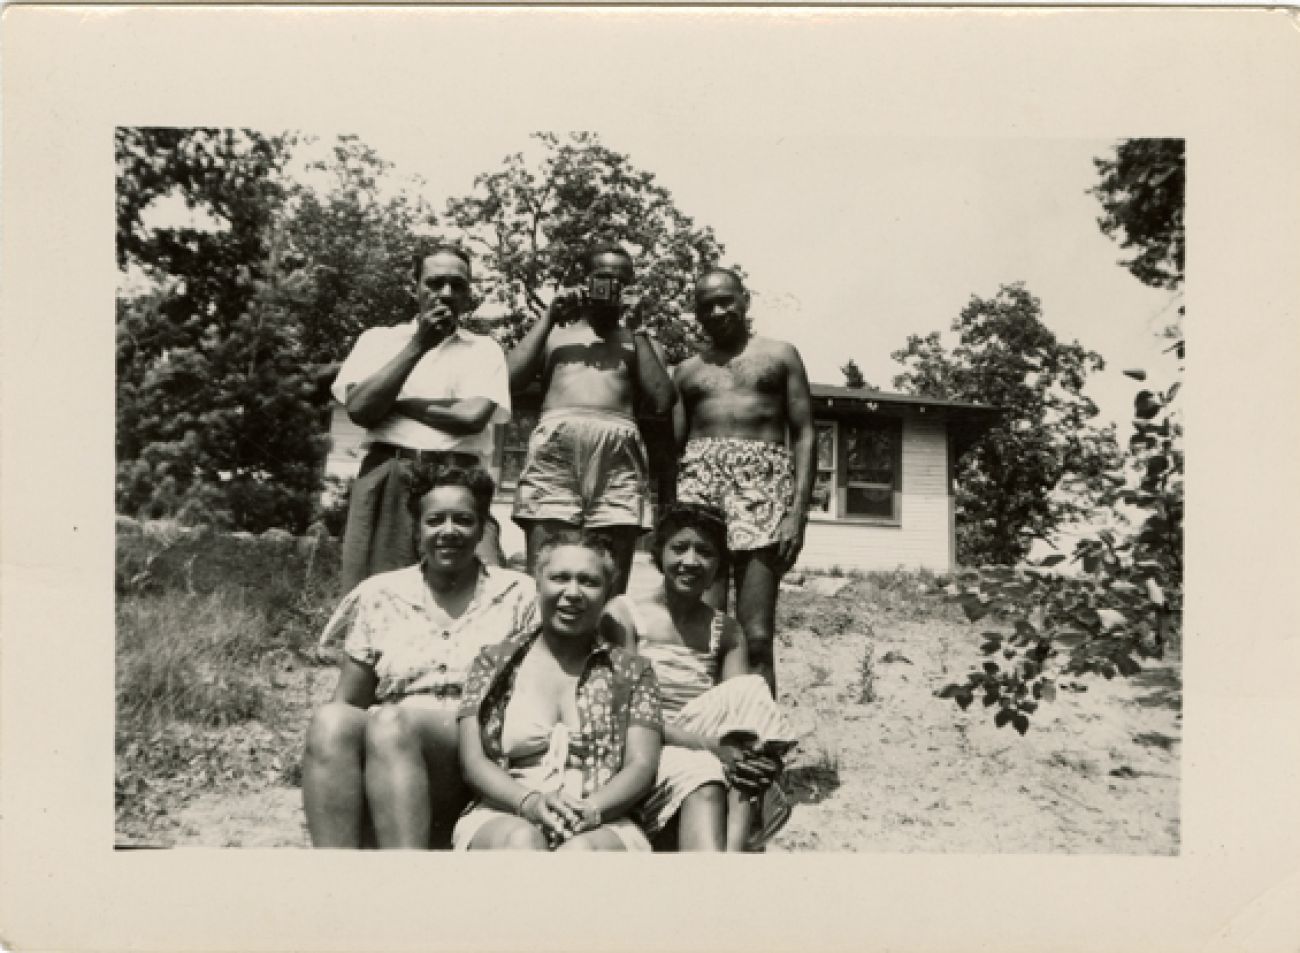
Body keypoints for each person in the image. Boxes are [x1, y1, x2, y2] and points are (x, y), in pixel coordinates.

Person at [302, 465, 537, 849]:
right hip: (390, 746)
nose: (449, 531)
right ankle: (336, 869)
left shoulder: (519, 594)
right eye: (435, 520)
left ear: (482, 528)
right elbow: (350, 698)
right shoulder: (381, 593)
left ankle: (409, 875)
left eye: (463, 520)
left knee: (395, 721)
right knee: (332, 719)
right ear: (417, 529)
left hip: (479, 745)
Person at [453, 532, 663, 851]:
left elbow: (641, 764)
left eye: (589, 582)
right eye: (560, 578)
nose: (573, 593)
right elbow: (473, 760)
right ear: (538, 583)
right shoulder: (492, 663)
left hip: (604, 819)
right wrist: (530, 803)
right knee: (522, 841)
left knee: (581, 854)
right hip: (504, 811)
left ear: (608, 592)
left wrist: (591, 810)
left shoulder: (633, 672)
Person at [602, 503, 794, 851]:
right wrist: (715, 749)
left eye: (705, 552)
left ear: (719, 564)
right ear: (658, 553)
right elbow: (626, 713)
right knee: (706, 770)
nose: (690, 562)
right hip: (648, 736)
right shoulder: (626, 614)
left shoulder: (725, 630)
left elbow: (738, 713)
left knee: (750, 688)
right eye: (679, 548)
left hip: (707, 736)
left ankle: (733, 851)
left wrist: (734, 750)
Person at [332, 243, 511, 594]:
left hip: (460, 477)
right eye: (435, 283)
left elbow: (471, 417)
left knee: (478, 593)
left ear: (469, 293)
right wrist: (418, 345)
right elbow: (360, 410)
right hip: (392, 472)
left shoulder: (484, 349)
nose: (446, 293)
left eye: (458, 285)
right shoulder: (378, 341)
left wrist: (393, 400)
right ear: (413, 287)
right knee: (381, 592)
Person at [672, 267, 817, 696]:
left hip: (764, 491)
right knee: (705, 631)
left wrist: (797, 513)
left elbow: (805, 432)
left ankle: (759, 749)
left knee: (756, 636)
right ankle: (705, 745)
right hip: (701, 491)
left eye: (725, 300)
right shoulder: (685, 372)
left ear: (745, 299)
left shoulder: (781, 355)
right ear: (696, 313)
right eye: (706, 305)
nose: (717, 311)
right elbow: (671, 447)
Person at [507, 242, 677, 593]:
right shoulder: (556, 334)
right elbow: (507, 380)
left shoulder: (641, 341)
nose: (611, 287)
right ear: (584, 281)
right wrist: (549, 316)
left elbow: (661, 401)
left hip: (618, 456)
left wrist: (639, 329)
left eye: (621, 281)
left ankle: (608, 644)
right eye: (602, 277)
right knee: (546, 570)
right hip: (556, 450)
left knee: (609, 576)